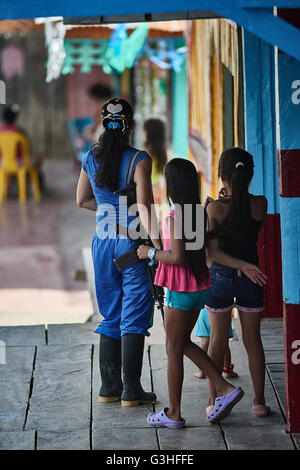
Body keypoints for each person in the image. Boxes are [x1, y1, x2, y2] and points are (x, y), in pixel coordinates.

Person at [137, 158, 244, 428]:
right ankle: (221, 387)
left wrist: (148, 252)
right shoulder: (199, 212)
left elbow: (176, 257)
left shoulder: (174, 215)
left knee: (174, 348)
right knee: (181, 343)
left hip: (180, 288)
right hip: (200, 287)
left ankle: (176, 412)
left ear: (172, 185)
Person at [77, 97, 162, 407]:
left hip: (101, 242)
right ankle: (131, 390)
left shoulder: (91, 156)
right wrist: (159, 246)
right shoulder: (140, 159)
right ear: (130, 126)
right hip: (131, 242)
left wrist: (109, 211)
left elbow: (82, 200)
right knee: (135, 312)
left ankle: (108, 388)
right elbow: (145, 207)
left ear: (103, 124)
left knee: (110, 311)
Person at [204, 147, 270, 417]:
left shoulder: (215, 208)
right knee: (253, 340)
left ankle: (213, 399)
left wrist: (212, 205)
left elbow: (213, 252)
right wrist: (245, 265)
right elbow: (245, 226)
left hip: (220, 277)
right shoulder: (261, 203)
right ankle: (259, 402)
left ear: (222, 177)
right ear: (251, 174)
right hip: (252, 277)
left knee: (217, 338)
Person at [193, 308, 239, 379]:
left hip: (205, 310)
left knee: (205, 341)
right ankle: (227, 371)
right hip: (221, 311)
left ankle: (201, 371)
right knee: (223, 342)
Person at [143, 119, 168, 204]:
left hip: (146, 194)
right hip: (158, 194)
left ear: (149, 134)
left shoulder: (145, 153)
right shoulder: (163, 155)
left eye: (144, 131)